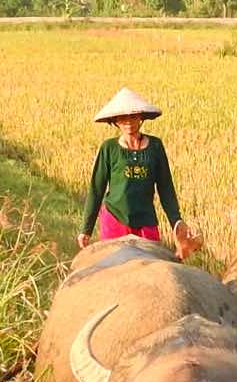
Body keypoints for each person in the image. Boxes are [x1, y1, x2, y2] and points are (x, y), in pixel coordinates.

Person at [77, 87, 200, 261]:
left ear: (141, 118)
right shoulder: (109, 148)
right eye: (123, 118)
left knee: (153, 267)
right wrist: (86, 229)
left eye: (133, 117)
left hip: (145, 218)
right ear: (116, 121)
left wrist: (176, 221)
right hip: (115, 218)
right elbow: (96, 189)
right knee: (113, 267)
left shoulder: (155, 146)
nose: (129, 122)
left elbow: (165, 188)